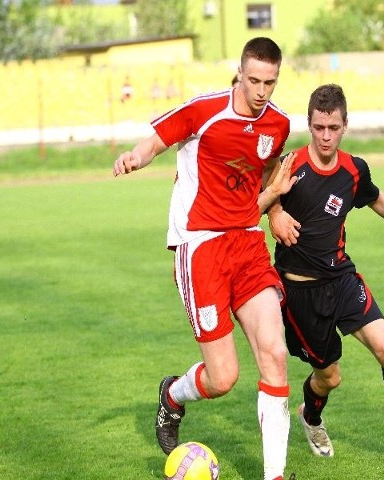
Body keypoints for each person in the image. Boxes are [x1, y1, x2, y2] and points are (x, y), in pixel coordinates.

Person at [112, 37, 296, 480]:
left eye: (269, 82)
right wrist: (135, 157)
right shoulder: (205, 110)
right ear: (239, 72)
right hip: (201, 248)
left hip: (247, 244)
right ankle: (174, 395)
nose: (261, 91)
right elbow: (155, 140)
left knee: (275, 352)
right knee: (223, 378)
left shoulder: (279, 125)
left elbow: (266, 171)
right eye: (253, 80)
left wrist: (273, 209)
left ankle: (275, 475)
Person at [268, 84, 384, 465]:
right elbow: (255, 199)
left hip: (342, 280)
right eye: (319, 127)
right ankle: (311, 416)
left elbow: (376, 198)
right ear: (309, 124)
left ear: (345, 125)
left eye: (333, 127)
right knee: (330, 378)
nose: (325, 135)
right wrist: (274, 213)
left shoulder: (354, 169)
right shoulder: (289, 164)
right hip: (301, 294)